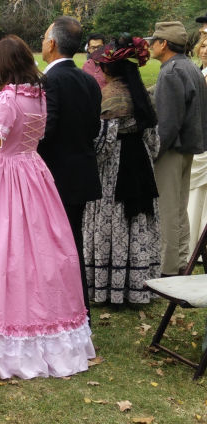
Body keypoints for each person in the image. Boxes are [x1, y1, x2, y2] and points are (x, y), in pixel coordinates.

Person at [0, 34, 96, 379]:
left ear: (1, 65)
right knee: (35, 249)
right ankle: (43, 325)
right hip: (34, 173)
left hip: (5, 176)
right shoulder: (37, 95)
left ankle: (1, 324)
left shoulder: (7, 99)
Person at [82, 36, 161, 304]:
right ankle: (139, 284)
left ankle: (110, 288)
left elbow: (103, 144)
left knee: (112, 221)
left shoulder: (110, 96)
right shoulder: (142, 95)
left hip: (114, 170)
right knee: (137, 221)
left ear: (107, 70)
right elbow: (153, 142)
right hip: (141, 163)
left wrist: (91, 163)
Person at [37, 16, 102, 316]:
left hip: (54, 174)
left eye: (44, 37)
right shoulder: (88, 79)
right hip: (81, 171)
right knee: (72, 243)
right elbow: (93, 128)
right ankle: (79, 309)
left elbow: (46, 130)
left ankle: (65, 312)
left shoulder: (49, 81)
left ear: (51, 44)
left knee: (55, 246)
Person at [148, 21, 207, 276]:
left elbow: (168, 123)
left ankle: (169, 267)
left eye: (154, 40)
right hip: (188, 148)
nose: (150, 45)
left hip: (172, 149)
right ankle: (182, 261)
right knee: (180, 208)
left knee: (168, 209)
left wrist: (154, 151)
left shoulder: (171, 71)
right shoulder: (189, 67)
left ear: (163, 44)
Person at [189, 36, 207, 255]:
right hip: (199, 143)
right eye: (203, 46)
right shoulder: (198, 72)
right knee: (194, 199)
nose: (204, 51)